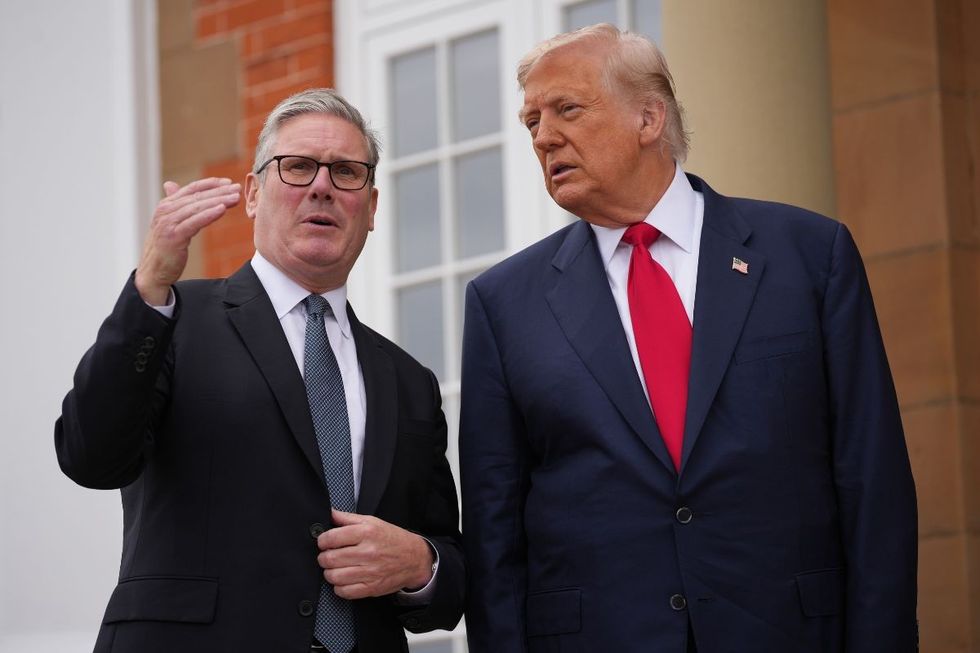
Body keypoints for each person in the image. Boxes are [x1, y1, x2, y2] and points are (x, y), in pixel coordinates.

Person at [459, 24, 917, 653]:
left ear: (649, 118)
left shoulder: (809, 255)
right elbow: (494, 531)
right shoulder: (502, 303)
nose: (543, 137)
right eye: (531, 121)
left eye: (567, 109)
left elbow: (873, 481)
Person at [56, 88, 464, 653]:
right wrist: (150, 286)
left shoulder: (409, 382)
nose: (321, 185)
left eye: (347, 172)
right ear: (252, 194)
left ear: (371, 209)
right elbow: (90, 455)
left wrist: (421, 563)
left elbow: (448, 581)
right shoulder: (173, 319)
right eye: (297, 167)